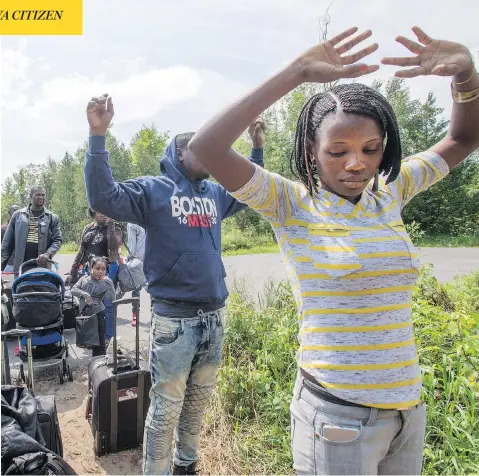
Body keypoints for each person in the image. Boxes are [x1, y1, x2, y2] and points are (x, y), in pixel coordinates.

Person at [189, 26, 479, 475]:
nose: (357, 163)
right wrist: (297, 71)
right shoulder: (289, 203)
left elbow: (463, 139)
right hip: (338, 416)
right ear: (311, 150)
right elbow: (206, 147)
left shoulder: (390, 191)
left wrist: (465, 76)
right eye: (338, 150)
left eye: (371, 149)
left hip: (407, 412)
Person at [83, 93, 265, 475]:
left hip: (214, 318)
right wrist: (98, 135)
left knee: (196, 405)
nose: (213, 155)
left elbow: (248, 193)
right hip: (174, 324)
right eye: (203, 147)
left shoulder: (215, 193)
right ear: (180, 153)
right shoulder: (153, 191)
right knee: (165, 409)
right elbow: (103, 195)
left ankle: (187, 465)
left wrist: (257, 148)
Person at [65, 208, 122, 343]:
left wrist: (110, 225)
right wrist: (72, 273)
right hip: (88, 269)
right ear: (93, 213)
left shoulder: (115, 227)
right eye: (99, 211)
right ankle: (92, 335)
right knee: (88, 303)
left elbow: (114, 246)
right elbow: (81, 252)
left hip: (107, 269)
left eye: (105, 211)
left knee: (107, 303)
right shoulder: (88, 228)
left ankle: (108, 338)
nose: (103, 214)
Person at [1, 187, 62, 276]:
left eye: (43, 195)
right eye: (37, 195)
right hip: (21, 267)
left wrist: (47, 254)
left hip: (42, 267)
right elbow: (7, 243)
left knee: (42, 288)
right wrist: (1, 266)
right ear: (30, 197)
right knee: (21, 289)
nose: (41, 197)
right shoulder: (18, 216)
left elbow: (57, 240)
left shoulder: (52, 217)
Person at [71, 256, 116, 357]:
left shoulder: (106, 282)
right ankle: (94, 360)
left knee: (100, 343)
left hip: (100, 314)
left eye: (103, 269)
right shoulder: (84, 279)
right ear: (91, 268)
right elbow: (73, 289)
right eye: (97, 268)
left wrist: (110, 284)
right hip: (86, 315)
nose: (100, 272)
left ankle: (99, 362)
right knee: (88, 340)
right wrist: (85, 294)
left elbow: (113, 299)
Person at [127, 222, 146, 326]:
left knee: (153, 290)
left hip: (151, 260)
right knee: (136, 290)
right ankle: (135, 314)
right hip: (138, 261)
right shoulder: (132, 224)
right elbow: (131, 246)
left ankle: (154, 313)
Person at [1, 205, 20, 273]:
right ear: (9, 212)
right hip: (8, 264)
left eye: (18, 210)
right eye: (14, 210)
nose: (16, 212)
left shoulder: (24, 227)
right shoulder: (3, 228)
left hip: (21, 263)